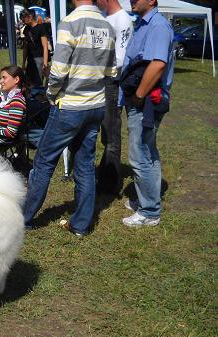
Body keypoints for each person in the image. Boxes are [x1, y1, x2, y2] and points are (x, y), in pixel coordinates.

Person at [23, 0, 116, 236]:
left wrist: (51, 93)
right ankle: (81, 225)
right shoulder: (106, 25)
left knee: (44, 161)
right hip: (95, 105)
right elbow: (112, 71)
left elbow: (59, 69)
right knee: (85, 164)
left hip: (70, 106)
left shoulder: (70, 22)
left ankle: (22, 217)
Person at [121, 0, 174, 227]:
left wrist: (139, 95)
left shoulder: (158, 25)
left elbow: (158, 64)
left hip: (146, 101)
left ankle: (150, 212)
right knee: (146, 151)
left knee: (140, 154)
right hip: (141, 99)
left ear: (152, 0)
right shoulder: (143, 24)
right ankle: (146, 200)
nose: (132, 0)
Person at [96, 0, 133, 195]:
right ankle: (105, 174)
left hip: (112, 83)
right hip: (101, 81)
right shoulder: (105, 17)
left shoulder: (123, 20)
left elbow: (121, 57)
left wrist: (93, 62)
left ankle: (109, 184)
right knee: (105, 134)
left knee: (111, 136)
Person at [21, 9, 50, 88]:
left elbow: (45, 46)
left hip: (39, 59)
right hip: (30, 59)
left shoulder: (41, 28)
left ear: (30, 17)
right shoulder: (26, 29)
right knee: (28, 82)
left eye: (24, 17)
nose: (22, 19)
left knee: (37, 83)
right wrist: (23, 63)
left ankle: (38, 98)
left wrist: (45, 63)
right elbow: (25, 47)